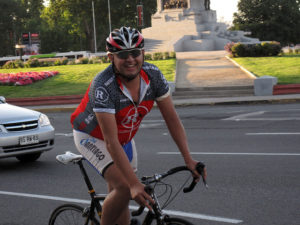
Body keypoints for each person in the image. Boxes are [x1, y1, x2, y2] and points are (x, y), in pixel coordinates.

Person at [70, 26, 207, 225]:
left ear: (143, 53)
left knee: (122, 195)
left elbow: (172, 119)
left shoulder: (153, 76)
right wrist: (133, 184)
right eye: (123, 54)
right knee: (125, 188)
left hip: (123, 139)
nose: (130, 59)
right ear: (111, 57)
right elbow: (110, 141)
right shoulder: (103, 86)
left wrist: (189, 159)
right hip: (92, 137)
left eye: (135, 53)